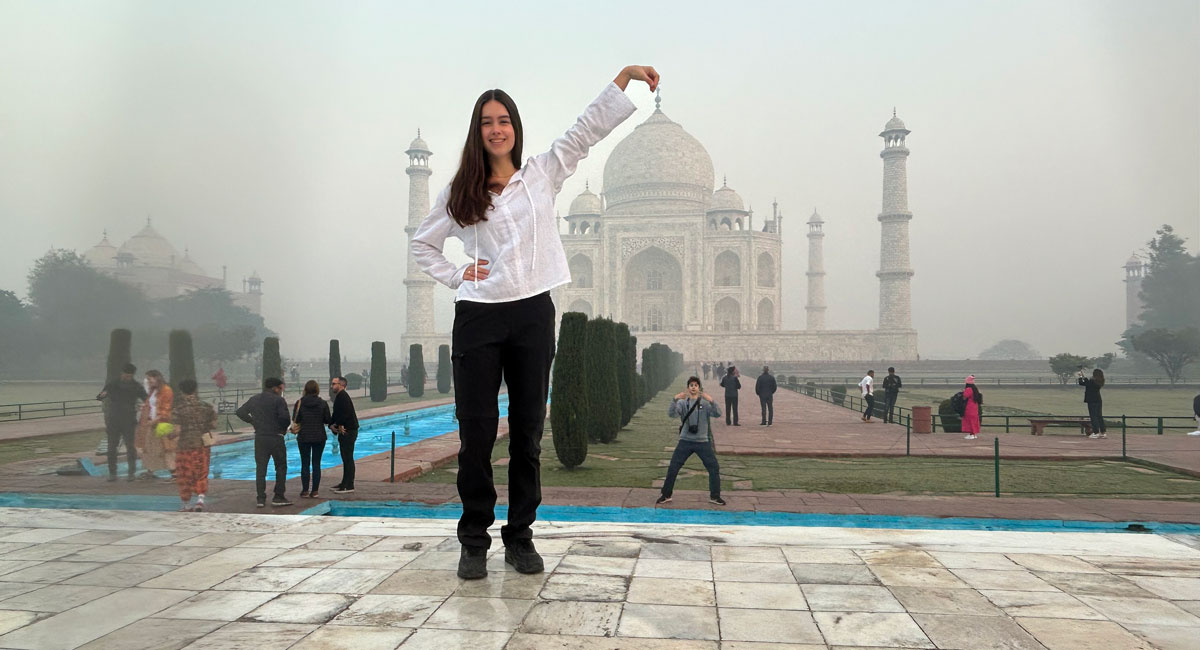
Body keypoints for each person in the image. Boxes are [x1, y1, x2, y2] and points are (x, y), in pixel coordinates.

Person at [411, 64, 658, 580]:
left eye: (504, 120)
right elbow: (422, 243)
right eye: (487, 122)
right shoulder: (462, 191)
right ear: (477, 132)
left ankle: (519, 536)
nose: (496, 128)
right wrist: (458, 274)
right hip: (479, 315)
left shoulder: (541, 174)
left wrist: (621, 80)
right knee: (476, 435)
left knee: (526, 434)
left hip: (531, 315)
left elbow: (584, 130)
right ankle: (473, 540)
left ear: (515, 129)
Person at [657, 377, 725, 506]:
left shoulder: (705, 404)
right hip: (685, 441)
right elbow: (672, 414)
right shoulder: (683, 403)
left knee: (713, 467)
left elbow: (718, 414)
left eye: (696, 385)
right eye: (691, 385)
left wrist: (712, 401)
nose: (693, 387)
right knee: (673, 467)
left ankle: (715, 496)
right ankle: (666, 494)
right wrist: (674, 399)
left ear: (699, 389)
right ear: (688, 388)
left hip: (702, 441)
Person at [236, 377, 292, 508]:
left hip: (260, 437)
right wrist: (282, 429)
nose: (281, 390)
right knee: (281, 467)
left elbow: (240, 412)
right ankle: (278, 496)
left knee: (261, 469)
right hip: (275, 437)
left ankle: (260, 498)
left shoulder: (255, 399)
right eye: (280, 388)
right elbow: (285, 419)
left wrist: (253, 421)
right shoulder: (279, 400)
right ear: (275, 388)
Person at [170, 378, 216, 512]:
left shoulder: (178, 409)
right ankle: (200, 501)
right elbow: (213, 424)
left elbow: (177, 430)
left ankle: (186, 504)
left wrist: (169, 435)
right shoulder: (206, 407)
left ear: (181, 391)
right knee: (201, 473)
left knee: (184, 475)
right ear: (195, 389)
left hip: (185, 446)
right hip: (202, 445)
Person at [96, 363, 147, 481]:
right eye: (125, 375)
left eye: (129, 376)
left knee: (130, 447)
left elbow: (146, 399)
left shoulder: (136, 386)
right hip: (114, 419)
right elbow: (99, 397)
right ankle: (112, 473)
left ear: (132, 375)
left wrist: (143, 406)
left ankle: (131, 473)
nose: (127, 377)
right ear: (122, 373)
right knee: (112, 446)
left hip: (128, 419)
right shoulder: (113, 384)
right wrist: (102, 395)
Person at [293, 379, 332, 498]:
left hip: (304, 436)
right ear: (317, 390)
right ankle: (315, 490)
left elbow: (296, 419)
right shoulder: (322, 403)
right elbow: (327, 420)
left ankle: (305, 490)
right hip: (319, 436)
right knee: (316, 463)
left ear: (305, 389)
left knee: (305, 463)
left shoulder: (300, 402)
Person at [134, 370, 174, 479]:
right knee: (149, 447)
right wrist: (144, 409)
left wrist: (155, 420)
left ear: (157, 378)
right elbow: (151, 405)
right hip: (151, 422)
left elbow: (166, 409)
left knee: (165, 448)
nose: (148, 381)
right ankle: (150, 471)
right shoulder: (153, 391)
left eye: (149, 379)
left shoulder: (166, 390)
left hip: (162, 423)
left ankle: (174, 473)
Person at [329, 376, 359, 493]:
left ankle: (349, 485)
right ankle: (344, 482)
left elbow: (344, 414)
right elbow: (337, 413)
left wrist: (338, 425)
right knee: (345, 458)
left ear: (341, 385)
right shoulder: (340, 397)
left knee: (348, 458)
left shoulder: (343, 397)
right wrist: (332, 424)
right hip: (346, 430)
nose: (332, 386)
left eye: (334, 384)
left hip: (348, 431)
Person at [1078, 368, 1107, 439]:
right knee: (1099, 416)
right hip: (1098, 399)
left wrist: (1080, 376)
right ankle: (1103, 432)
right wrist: (1084, 377)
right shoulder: (1100, 381)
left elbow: (1082, 383)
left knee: (1093, 416)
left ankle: (1096, 432)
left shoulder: (1092, 381)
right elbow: (1088, 382)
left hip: (1092, 400)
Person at [962, 375, 983, 439]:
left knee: (969, 421)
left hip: (969, 407)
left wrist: (963, 391)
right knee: (974, 420)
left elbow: (965, 396)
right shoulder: (975, 389)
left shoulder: (969, 389)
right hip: (974, 407)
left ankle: (972, 434)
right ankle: (973, 434)